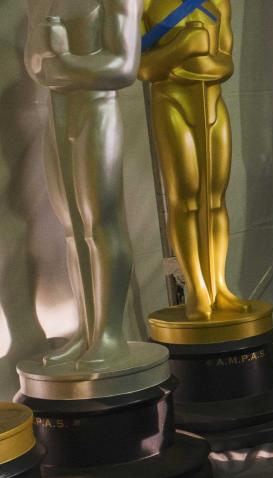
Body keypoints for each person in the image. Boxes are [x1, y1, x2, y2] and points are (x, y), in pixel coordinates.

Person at [23, 0, 141, 367]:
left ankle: (109, 334)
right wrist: (53, 64)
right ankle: (88, 330)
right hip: (60, 111)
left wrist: (64, 63)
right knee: (73, 228)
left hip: (97, 110)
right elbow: (35, 65)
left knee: (101, 222)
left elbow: (123, 67)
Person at [138, 0, 251, 321]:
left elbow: (226, 62)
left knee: (215, 199)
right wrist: (184, 48)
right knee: (185, 198)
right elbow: (142, 68)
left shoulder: (219, 2)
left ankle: (219, 286)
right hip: (172, 104)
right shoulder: (145, 4)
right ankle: (197, 290)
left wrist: (188, 63)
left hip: (214, 106)